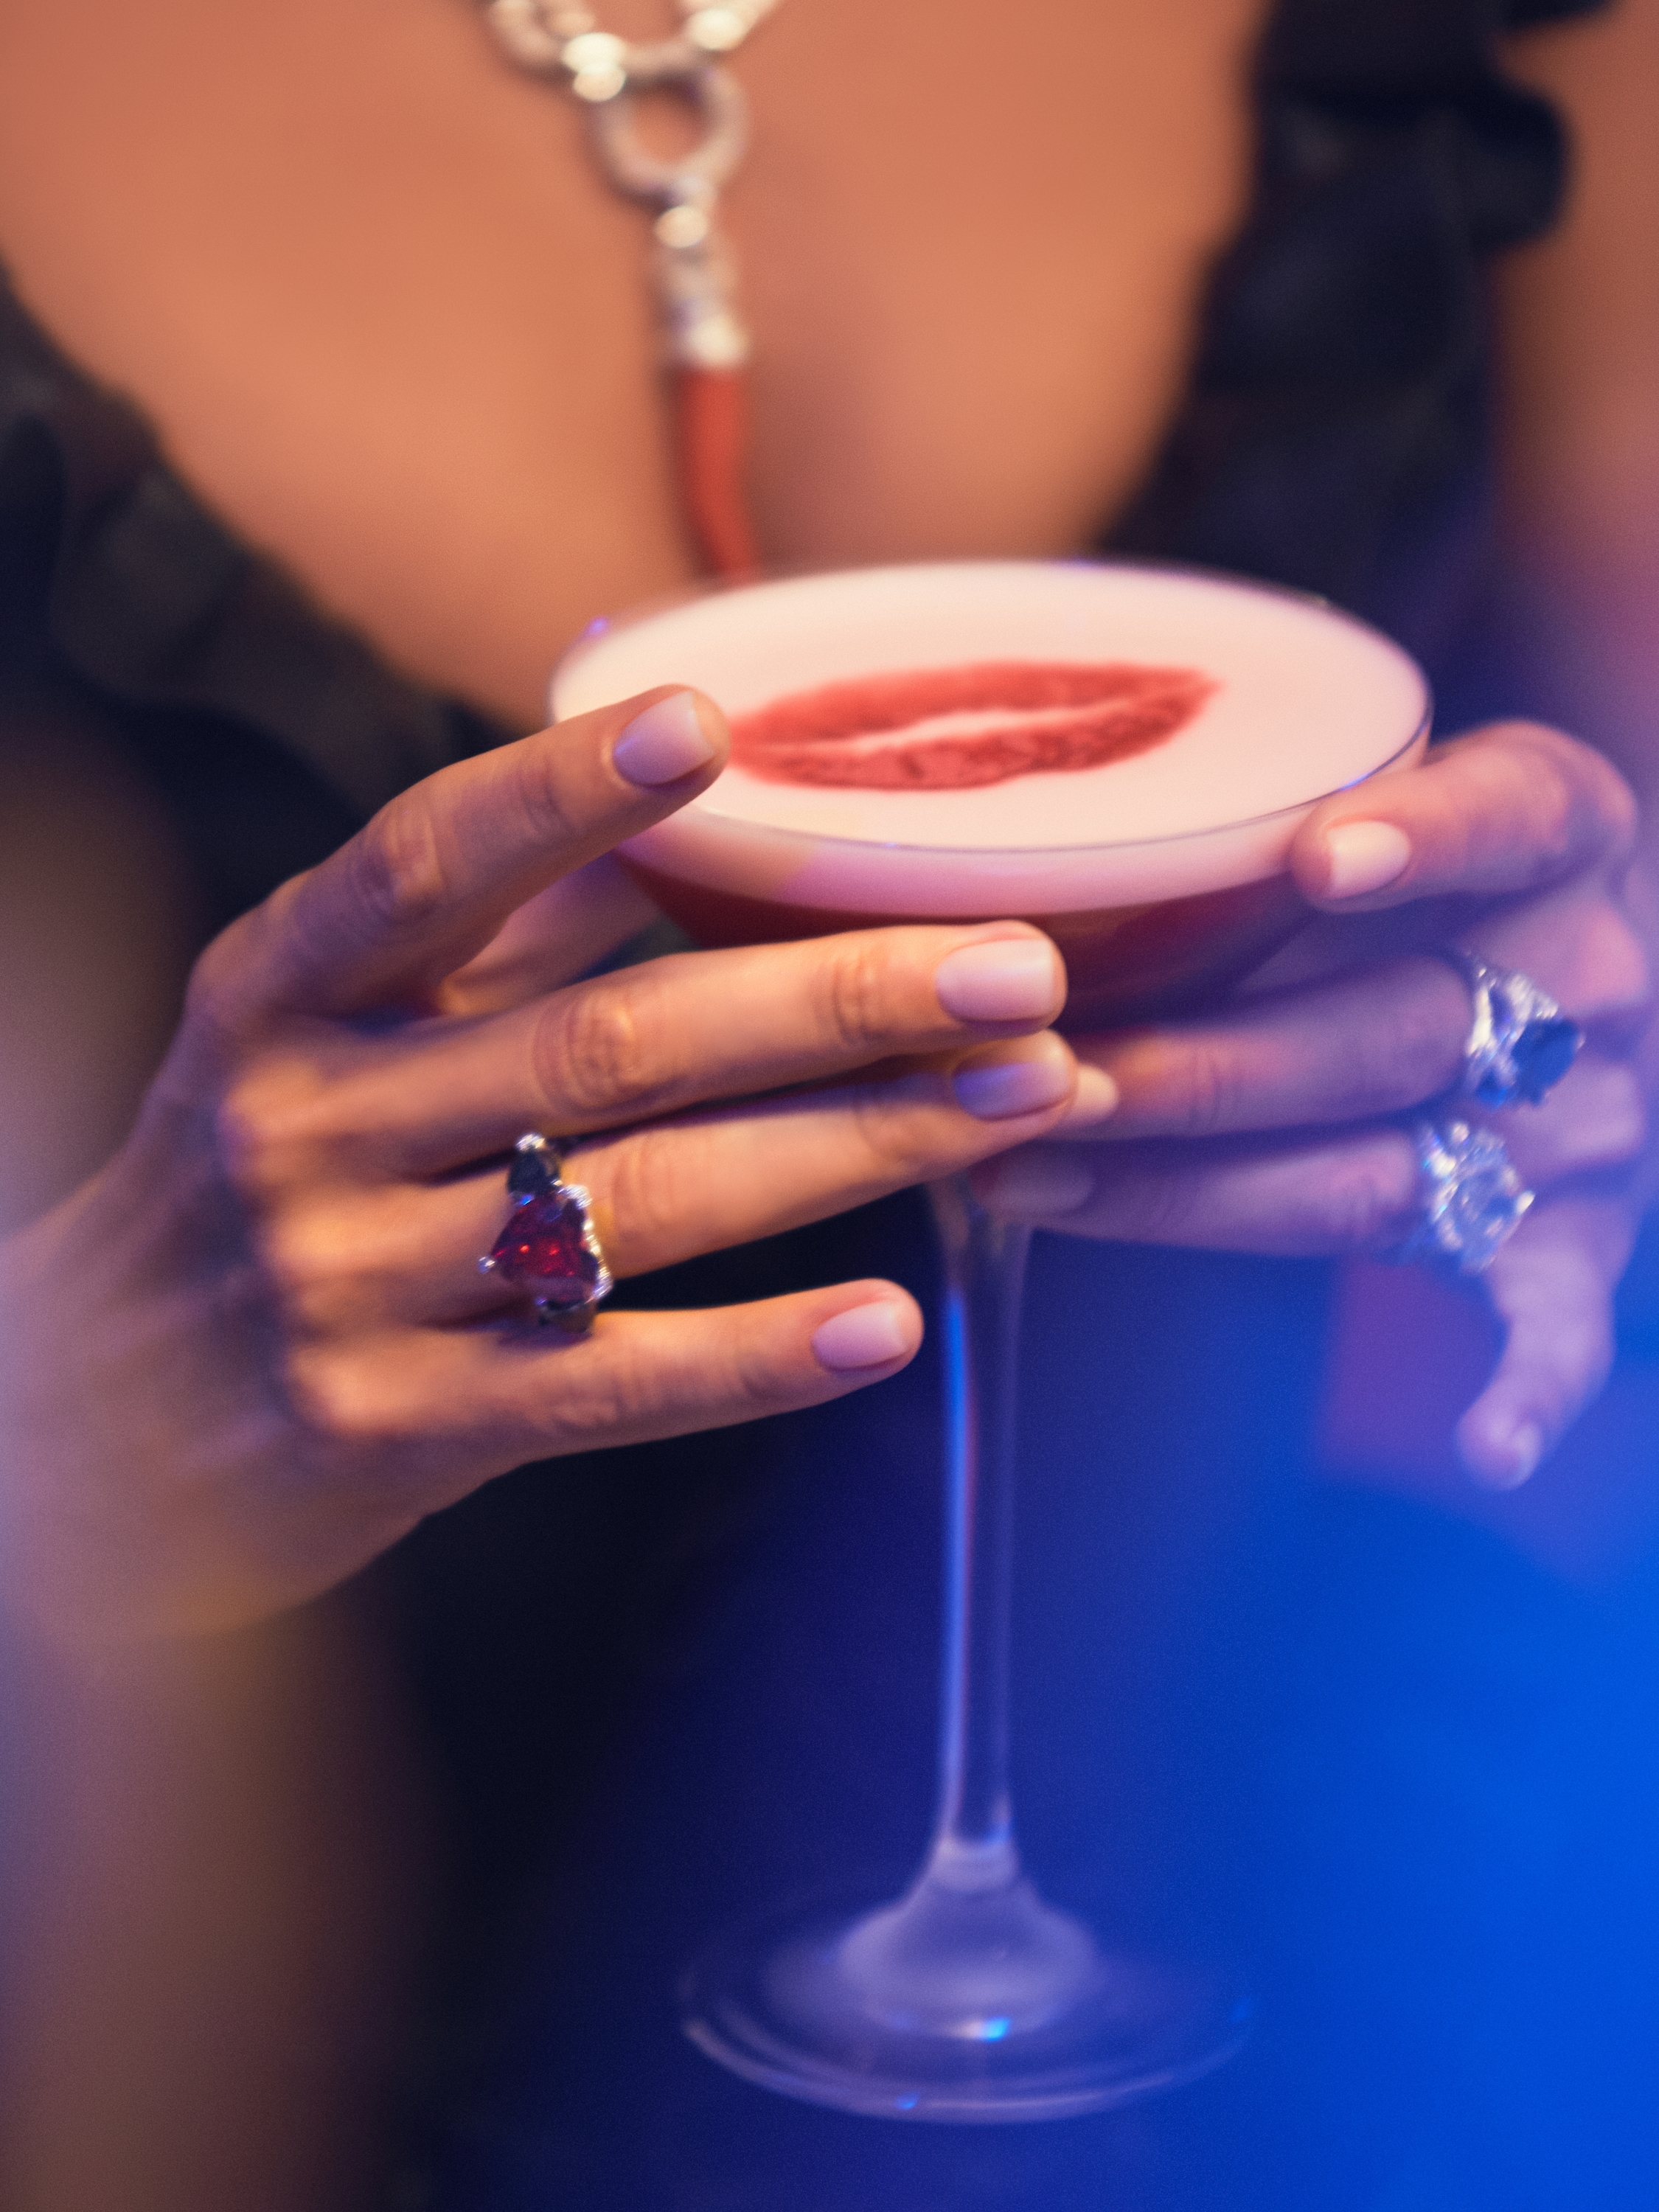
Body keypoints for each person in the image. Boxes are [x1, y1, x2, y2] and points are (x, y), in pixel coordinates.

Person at [0, 0, 1653, 2202]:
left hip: (1285, 1992)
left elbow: (1603, 716)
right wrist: (49, 1463)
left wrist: (1559, 1038)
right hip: (213, 2042)